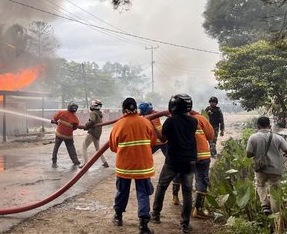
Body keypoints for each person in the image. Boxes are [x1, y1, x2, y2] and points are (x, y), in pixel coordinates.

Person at [151, 94, 198, 234]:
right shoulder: (193, 121)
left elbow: (163, 138)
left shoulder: (170, 122)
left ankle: (155, 215)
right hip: (190, 160)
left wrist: (152, 125)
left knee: (161, 186)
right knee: (187, 192)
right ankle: (185, 223)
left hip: (173, 161)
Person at [110, 97, 157, 234]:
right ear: (135, 108)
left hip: (124, 166)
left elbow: (113, 147)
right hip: (143, 165)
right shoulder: (146, 122)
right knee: (143, 193)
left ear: (123, 109)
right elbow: (152, 142)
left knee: (122, 191)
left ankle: (118, 217)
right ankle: (143, 226)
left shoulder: (118, 124)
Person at [170, 110, 214, 219]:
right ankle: (197, 209)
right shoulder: (200, 118)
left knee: (180, 174)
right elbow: (211, 135)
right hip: (202, 155)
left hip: (185, 155)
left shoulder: (175, 120)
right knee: (201, 179)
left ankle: (175, 197)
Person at [246, 116, 287, 214]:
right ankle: (276, 213)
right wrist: (286, 155)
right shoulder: (278, 138)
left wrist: (257, 152)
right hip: (275, 168)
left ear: (258, 126)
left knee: (260, 185)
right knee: (275, 188)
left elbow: (248, 154)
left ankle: (265, 206)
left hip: (261, 168)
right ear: (270, 126)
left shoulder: (253, 137)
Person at [50, 102, 81, 168]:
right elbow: (74, 128)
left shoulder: (62, 112)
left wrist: (55, 121)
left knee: (56, 147)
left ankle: (54, 163)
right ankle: (75, 161)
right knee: (71, 148)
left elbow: (55, 118)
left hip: (59, 134)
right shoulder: (76, 119)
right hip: (68, 136)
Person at [80, 99, 109, 168]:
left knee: (84, 147)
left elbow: (92, 121)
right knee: (98, 149)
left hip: (92, 132)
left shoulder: (93, 113)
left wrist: (86, 125)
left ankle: (85, 164)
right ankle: (105, 162)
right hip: (98, 133)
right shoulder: (99, 113)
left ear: (93, 106)